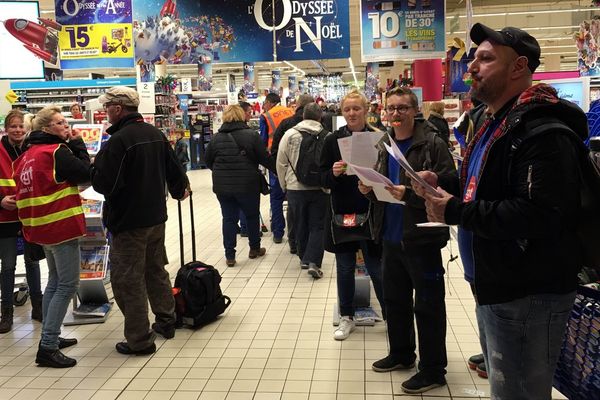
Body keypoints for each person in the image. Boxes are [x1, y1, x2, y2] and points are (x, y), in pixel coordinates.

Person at [417, 24, 588, 399]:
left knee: (520, 393)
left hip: (527, 292)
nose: (472, 67)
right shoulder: (495, 123)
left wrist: (457, 212)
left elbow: (542, 215)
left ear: (519, 67)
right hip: (498, 287)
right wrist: (445, 186)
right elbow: (486, 186)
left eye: (486, 58)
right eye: (474, 57)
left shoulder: (542, 130)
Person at [360, 87, 455, 393]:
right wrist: (368, 189)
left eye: (402, 107)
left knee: (428, 305)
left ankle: (432, 369)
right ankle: (401, 353)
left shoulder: (432, 144)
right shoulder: (385, 143)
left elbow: (449, 187)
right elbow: (382, 181)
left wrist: (410, 194)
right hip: (390, 233)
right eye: (391, 108)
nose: (396, 113)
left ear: (415, 110)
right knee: (395, 301)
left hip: (421, 236)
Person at [91, 86, 189, 355]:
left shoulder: (120, 141)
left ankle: (139, 339)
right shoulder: (154, 134)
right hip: (156, 218)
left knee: (127, 280)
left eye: (107, 107)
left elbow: (104, 184)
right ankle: (167, 321)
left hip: (129, 221)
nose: (105, 111)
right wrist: (180, 189)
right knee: (155, 269)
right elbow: (175, 170)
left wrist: (93, 166)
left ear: (118, 108)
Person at [13, 105, 90, 368]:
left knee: (55, 282)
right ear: (46, 128)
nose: (65, 126)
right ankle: (47, 346)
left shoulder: (27, 156)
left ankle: (51, 336)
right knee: (67, 284)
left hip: (40, 227)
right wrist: (78, 143)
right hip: (61, 225)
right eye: (60, 123)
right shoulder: (57, 151)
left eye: (65, 122)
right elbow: (85, 172)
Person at [320, 90, 385, 341]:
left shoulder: (379, 139)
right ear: (342, 112)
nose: (352, 113)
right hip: (342, 212)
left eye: (356, 108)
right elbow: (321, 178)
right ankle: (347, 316)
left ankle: (392, 315)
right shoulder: (332, 141)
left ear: (366, 110)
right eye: (347, 109)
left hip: (371, 211)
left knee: (377, 269)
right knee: (345, 268)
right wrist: (333, 174)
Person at [206, 105, 275, 267]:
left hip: (223, 187)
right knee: (251, 216)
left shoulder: (215, 138)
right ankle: (254, 249)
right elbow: (264, 158)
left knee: (229, 219)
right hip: (247, 185)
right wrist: (279, 171)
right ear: (241, 116)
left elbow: (208, 160)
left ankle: (230, 256)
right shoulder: (251, 135)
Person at [0, 110, 43, 334]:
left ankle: (38, 306)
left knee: (33, 262)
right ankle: (6, 311)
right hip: (5, 218)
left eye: (21, 127)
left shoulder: (31, 150)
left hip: (29, 216)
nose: (17, 130)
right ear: (6, 128)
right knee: (7, 265)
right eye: (13, 126)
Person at [276, 102, 327, 279]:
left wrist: (283, 184)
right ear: (320, 117)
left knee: (299, 222)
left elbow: (281, 162)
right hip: (319, 187)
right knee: (317, 225)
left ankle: (304, 258)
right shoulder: (326, 135)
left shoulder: (290, 134)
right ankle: (314, 260)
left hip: (295, 187)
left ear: (303, 116)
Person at [270, 93, 315, 254]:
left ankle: (294, 242)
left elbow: (275, 152)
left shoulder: (286, 124)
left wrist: (282, 176)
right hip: (314, 178)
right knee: (313, 214)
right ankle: (310, 245)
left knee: (293, 211)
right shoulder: (320, 125)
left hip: (291, 178)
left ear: (297, 105)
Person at [259, 93, 293, 244]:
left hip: (276, 160)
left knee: (276, 198)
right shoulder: (291, 111)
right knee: (293, 197)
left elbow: (263, 141)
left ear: (269, 102)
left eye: (264, 103)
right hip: (294, 158)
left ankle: (278, 233)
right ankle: (294, 233)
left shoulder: (266, 116)